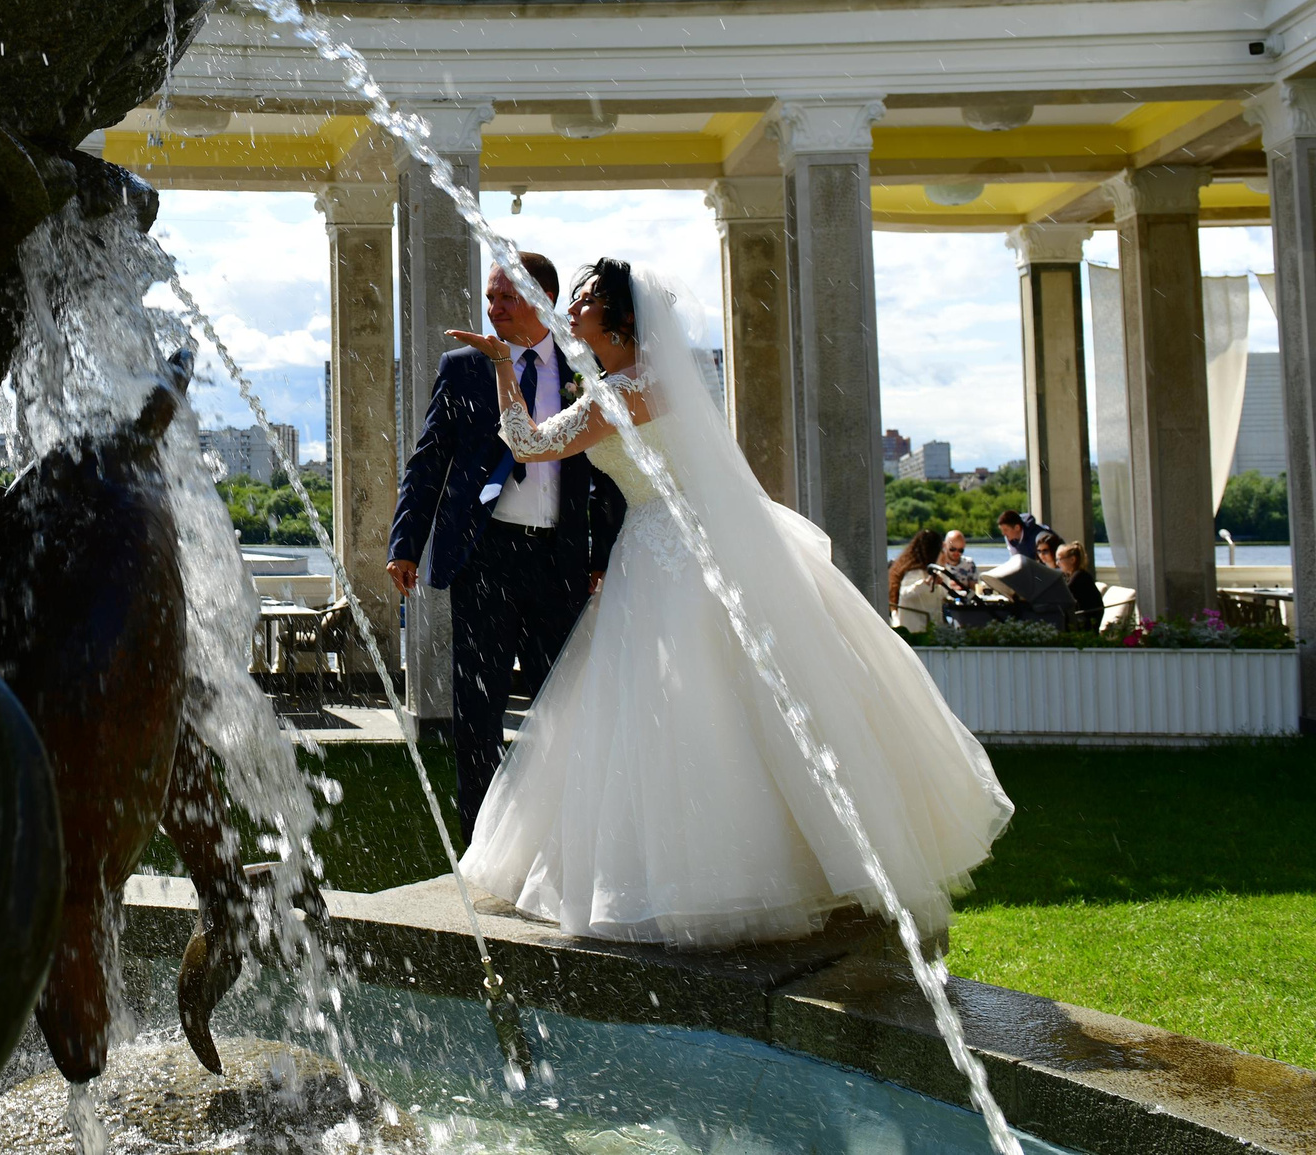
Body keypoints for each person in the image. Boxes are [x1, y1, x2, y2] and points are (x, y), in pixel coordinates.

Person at [446, 258, 1012, 948]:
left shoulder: (627, 391)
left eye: (588, 296)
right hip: (671, 546)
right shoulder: (629, 384)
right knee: (711, 707)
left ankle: (715, 873)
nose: (576, 304)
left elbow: (529, 445)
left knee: (693, 710)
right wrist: (512, 363)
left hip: (672, 554)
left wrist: (505, 364)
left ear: (619, 316)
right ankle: (764, 858)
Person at [384, 255, 626, 847]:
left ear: (544, 298)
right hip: (484, 557)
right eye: (490, 300)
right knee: (477, 714)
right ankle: (481, 849)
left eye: (507, 299)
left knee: (562, 707)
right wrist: (405, 544)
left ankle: (562, 845)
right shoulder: (463, 368)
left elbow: (613, 473)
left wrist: (602, 555)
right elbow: (430, 458)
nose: (493, 311)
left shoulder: (586, 365)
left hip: (561, 561)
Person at [887, 527, 947, 633]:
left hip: (926, 625)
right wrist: (925, 583)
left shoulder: (927, 571)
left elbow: (942, 596)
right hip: (917, 629)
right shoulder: (915, 572)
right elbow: (905, 594)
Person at [1057, 541, 1103, 632]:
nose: (1057, 563)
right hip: (1081, 617)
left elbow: (1062, 595)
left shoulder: (1079, 576)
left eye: (1060, 559)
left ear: (1072, 559)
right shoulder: (1075, 575)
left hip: (1086, 622)